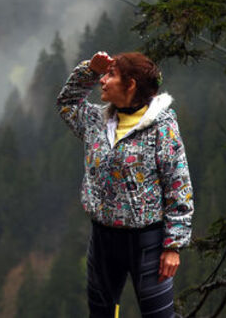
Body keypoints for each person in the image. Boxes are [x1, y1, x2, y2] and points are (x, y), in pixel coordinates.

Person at [57, 50, 193, 318]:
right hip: (103, 238)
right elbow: (67, 103)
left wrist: (173, 245)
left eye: (110, 75)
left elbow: (178, 183)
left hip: (148, 240)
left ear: (130, 84)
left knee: (159, 316)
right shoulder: (96, 120)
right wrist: (90, 70)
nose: (102, 81)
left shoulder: (161, 126)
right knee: (102, 313)